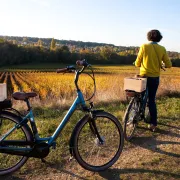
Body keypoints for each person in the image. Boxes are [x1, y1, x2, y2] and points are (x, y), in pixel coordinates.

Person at [135, 29, 172, 132]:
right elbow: (168, 64)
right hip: (154, 78)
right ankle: (153, 124)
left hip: (143, 76)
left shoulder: (144, 46)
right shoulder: (162, 49)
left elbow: (137, 63)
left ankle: (136, 116)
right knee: (151, 100)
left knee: (140, 96)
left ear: (148, 37)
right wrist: (162, 64)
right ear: (159, 38)